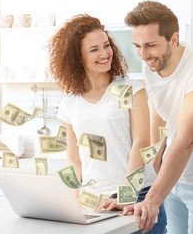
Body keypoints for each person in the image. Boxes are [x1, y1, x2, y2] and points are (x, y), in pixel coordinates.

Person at [48, 14, 166, 233]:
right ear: (77, 57)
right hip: (94, 201)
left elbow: (142, 141)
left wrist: (126, 193)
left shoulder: (131, 89)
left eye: (106, 45)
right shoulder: (69, 103)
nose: (105, 54)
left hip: (137, 195)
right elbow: (74, 159)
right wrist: (76, 200)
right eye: (94, 50)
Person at [123, 1, 193, 234]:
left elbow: (186, 140)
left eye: (150, 45)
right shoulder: (151, 65)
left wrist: (151, 200)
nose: (143, 55)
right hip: (173, 180)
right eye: (137, 46)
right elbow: (158, 119)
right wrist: (131, 192)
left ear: (174, 39)